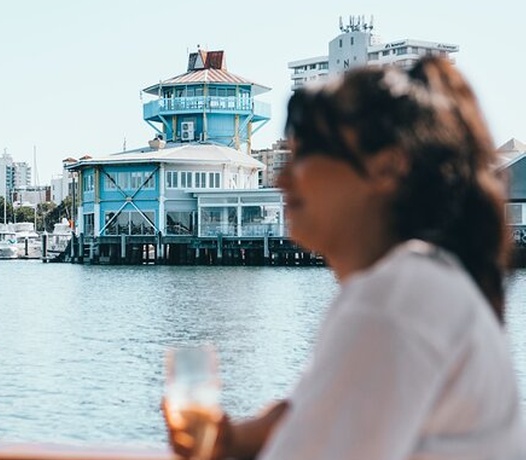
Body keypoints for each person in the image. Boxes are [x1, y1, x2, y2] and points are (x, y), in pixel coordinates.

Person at [164, 56, 526, 459]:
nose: (282, 179)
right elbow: (313, 420)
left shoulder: (393, 300)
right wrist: (233, 442)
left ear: (386, 168)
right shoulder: (426, 285)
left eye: (303, 156)